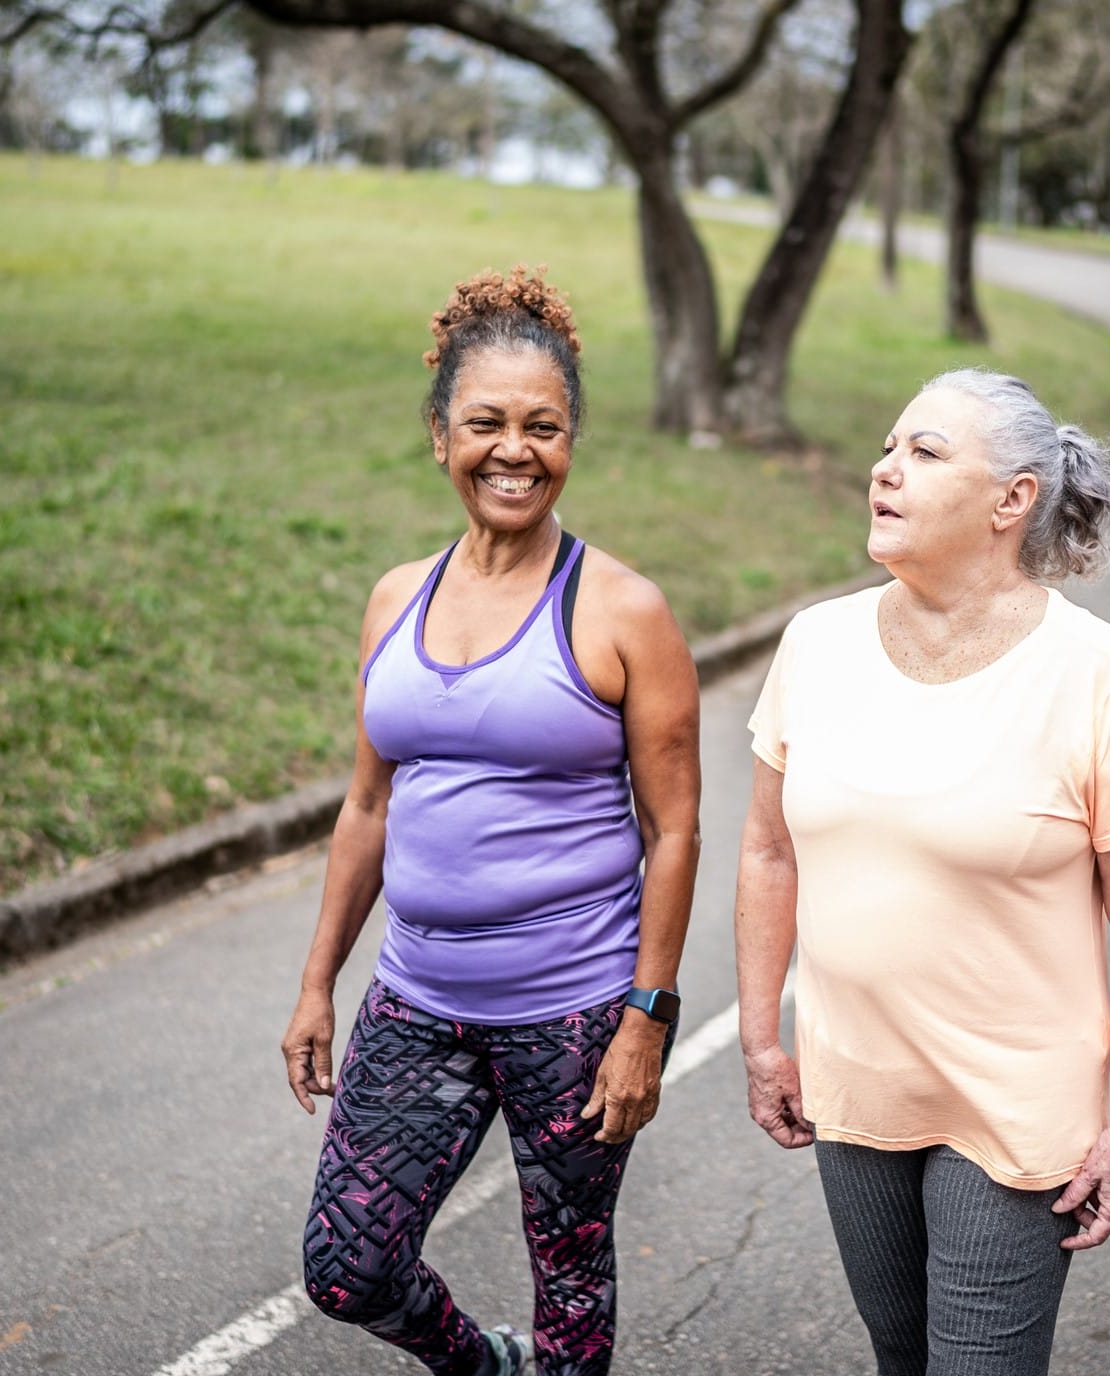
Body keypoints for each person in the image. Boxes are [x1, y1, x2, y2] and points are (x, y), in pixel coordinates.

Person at [282, 266, 701, 1376]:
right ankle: (481, 1365)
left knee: (570, 1284)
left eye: (543, 426)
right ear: (439, 436)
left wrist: (646, 1018)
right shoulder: (395, 597)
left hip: (573, 1011)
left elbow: (675, 829)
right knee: (346, 1266)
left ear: (571, 440)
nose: (514, 449)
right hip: (418, 997)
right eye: (485, 423)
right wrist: (320, 977)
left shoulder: (622, 609)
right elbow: (367, 801)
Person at [734, 368, 1110, 1376]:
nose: (883, 470)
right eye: (889, 448)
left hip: (1016, 1104)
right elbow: (768, 846)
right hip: (852, 1087)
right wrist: (762, 1037)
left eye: (924, 453)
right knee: (902, 1353)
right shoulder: (817, 642)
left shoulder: (1096, 672)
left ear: (1011, 500)